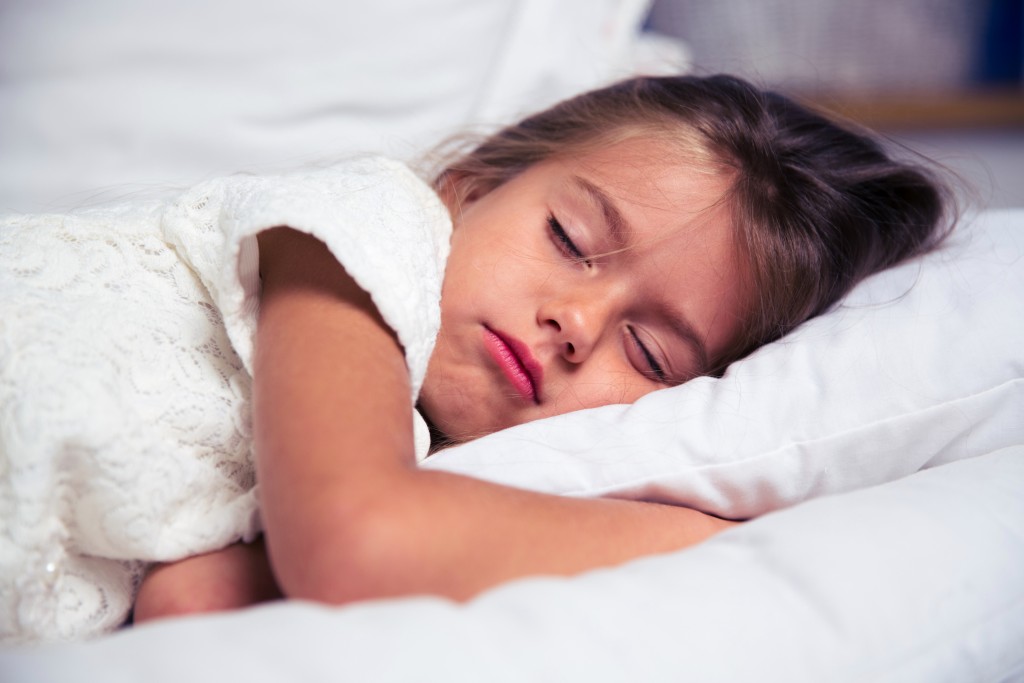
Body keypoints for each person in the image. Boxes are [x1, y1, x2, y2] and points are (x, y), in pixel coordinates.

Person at [0, 75, 951, 642]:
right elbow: (357, 541)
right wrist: (713, 537)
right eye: (572, 239)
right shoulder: (363, 229)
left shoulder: (399, 444)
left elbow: (187, 607)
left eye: (650, 351)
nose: (576, 320)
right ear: (469, 188)